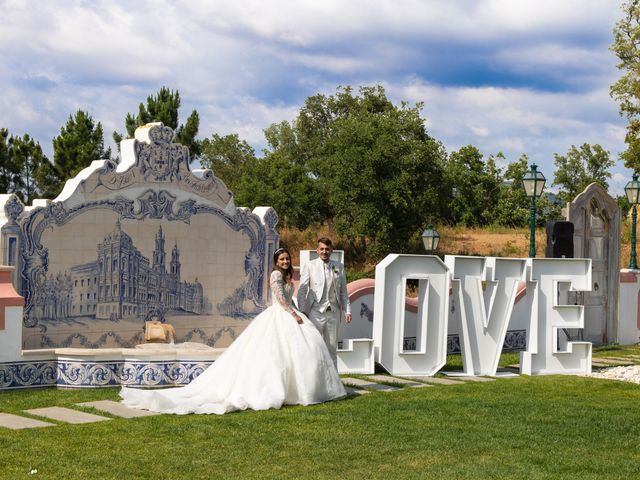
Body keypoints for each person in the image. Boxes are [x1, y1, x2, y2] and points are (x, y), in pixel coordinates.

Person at [119, 247, 346, 415]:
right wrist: (294, 314)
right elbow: (280, 300)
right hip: (280, 315)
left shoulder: (287, 276)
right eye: (282, 259)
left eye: (287, 258)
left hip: (289, 313)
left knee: (299, 351)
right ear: (276, 262)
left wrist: (298, 313)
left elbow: (289, 299)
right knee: (277, 356)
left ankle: (303, 390)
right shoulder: (276, 275)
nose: (286, 261)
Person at [297, 237, 351, 366]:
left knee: (332, 348)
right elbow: (302, 290)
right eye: (322, 249)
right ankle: (314, 379)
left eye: (327, 249)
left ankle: (333, 383)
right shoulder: (310, 266)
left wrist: (347, 310)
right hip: (315, 311)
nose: (324, 252)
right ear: (317, 250)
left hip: (333, 312)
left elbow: (343, 291)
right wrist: (301, 310)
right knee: (313, 346)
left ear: (332, 250)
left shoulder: (339, 267)